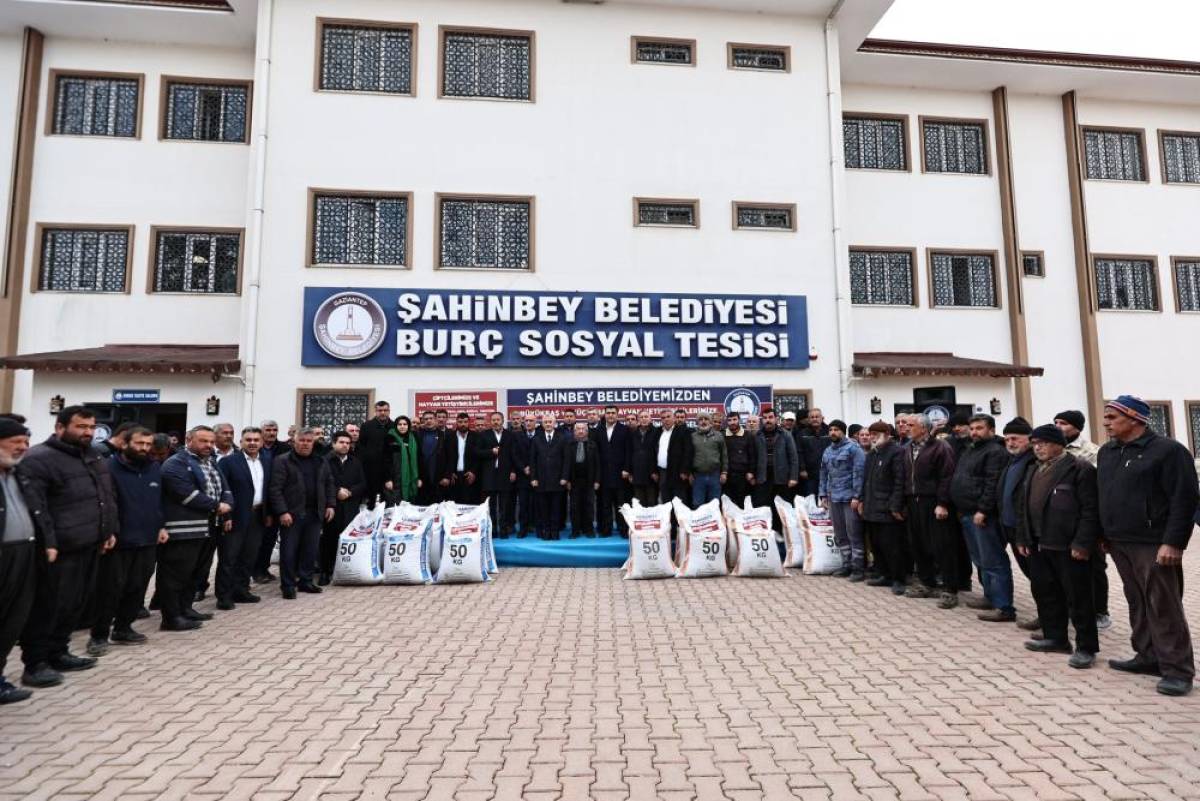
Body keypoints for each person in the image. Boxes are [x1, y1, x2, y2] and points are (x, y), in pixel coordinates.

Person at [1098, 396, 1197, 696]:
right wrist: (1103, 532)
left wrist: (1173, 542)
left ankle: (1178, 670)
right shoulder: (1107, 452)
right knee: (1137, 600)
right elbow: (1103, 494)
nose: (1106, 423)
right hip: (1119, 541)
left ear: (1135, 419)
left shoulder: (1168, 451)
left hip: (1153, 543)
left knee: (1163, 605)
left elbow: (1184, 499)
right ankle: (1148, 655)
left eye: (1112, 417)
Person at [17, 406, 117, 688]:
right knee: (49, 608)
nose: (88, 432)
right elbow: (36, 507)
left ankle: (59, 652)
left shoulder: (92, 455)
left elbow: (105, 496)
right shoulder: (39, 458)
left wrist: (109, 530)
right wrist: (48, 542)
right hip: (59, 549)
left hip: (90, 544)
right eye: (81, 427)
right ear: (60, 427)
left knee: (74, 605)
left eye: (91, 427)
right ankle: (35, 664)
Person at [1015, 425, 1100, 669]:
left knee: (1079, 598)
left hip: (1068, 545)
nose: (1037, 447)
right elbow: (1023, 506)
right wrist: (1023, 538)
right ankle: (1056, 638)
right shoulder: (1033, 469)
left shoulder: (1079, 469)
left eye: (1043, 443)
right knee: (1046, 592)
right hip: (1038, 543)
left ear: (1059, 444)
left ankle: (1086, 648)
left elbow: (1090, 510)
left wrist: (1082, 543)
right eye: (1034, 443)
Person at [88, 427, 165, 655]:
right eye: (139, 443)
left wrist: (161, 526)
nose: (144, 448)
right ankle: (98, 635)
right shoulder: (108, 468)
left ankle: (123, 628)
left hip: (148, 539)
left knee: (137, 587)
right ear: (124, 444)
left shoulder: (154, 468)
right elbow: (105, 503)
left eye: (148, 444)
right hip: (118, 541)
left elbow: (158, 501)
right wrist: (108, 531)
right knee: (109, 590)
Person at [158, 425, 228, 632]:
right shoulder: (175, 463)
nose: (209, 445)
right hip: (184, 529)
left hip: (208, 526)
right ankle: (171, 617)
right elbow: (186, 494)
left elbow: (225, 488)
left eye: (211, 442)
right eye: (203, 441)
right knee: (176, 574)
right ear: (189, 440)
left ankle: (185, 609)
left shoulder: (211, 462)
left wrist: (227, 501)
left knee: (196, 573)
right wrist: (217, 506)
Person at [950, 414, 1013, 622]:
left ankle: (1004, 607)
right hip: (966, 512)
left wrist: (983, 510)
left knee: (993, 560)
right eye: (972, 428)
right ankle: (990, 597)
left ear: (991, 430)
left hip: (983, 516)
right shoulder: (971, 449)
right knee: (981, 560)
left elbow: (992, 483)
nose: (974, 432)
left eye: (979, 428)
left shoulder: (995, 451)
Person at [1054, 409, 1109, 630]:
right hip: (1062, 521)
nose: (1058, 427)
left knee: (1095, 567)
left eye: (1063, 423)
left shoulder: (1092, 452)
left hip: (1088, 518)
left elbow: (1098, 488)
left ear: (1077, 427)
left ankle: (1100, 611)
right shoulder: (1055, 450)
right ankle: (1072, 608)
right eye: (1056, 422)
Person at [268, 428, 335, 599]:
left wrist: (330, 504)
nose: (305, 444)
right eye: (302, 440)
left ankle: (305, 581)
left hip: (315, 513)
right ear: (294, 442)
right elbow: (275, 489)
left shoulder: (320, 461)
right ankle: (288, 585)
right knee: (289, 552)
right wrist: (282, 511)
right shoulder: (282, 461)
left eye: (309, 441)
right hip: (292, 514)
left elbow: (329, 483)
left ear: (313, 443)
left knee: (310, 550)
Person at [902, 414, 960, 608]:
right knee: (918, 544)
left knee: (941, 545)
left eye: (911, 425)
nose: (906, 427)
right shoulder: (908, 448)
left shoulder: (940, 447)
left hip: (933, 502)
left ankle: (950, 589)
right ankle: (927, 583)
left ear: (924, 428)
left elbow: (947, 476)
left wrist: (942, 503)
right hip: (913, 501)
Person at [0, 418, 38, 703]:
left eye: (26, 442)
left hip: (23, 553)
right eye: (16, 442)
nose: (23, 447)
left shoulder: (18, 474)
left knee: (12, 619)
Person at [216, 427, 271, 608]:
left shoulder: (267, 460)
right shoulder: (228, 462)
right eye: (248, 440)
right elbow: (222, 490)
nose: (252, 443)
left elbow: (269, 489)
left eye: (256, 440)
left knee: (249, 556)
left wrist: (268, 513)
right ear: (241, 442)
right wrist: (226, 516)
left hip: (258, 515)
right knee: (229, 557)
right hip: (235, 516)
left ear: (261, 442)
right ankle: (224, 596)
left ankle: (241, 590)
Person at [996, 419, 1041, 630]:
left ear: (1029, 440)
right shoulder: (1013, 460)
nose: (1010, 443)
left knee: (1039, 577)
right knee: (1031, 574)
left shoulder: (1033, 462)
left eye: (1015, 438)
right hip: (1011, 527)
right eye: (1007, 439)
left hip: (1027, 530)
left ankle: (1050, 618)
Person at [860, 421, 907, 594]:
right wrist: (862, 500)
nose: (872, 437)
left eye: (875, 434)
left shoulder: (896, 452)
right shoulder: (872, 454)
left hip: (887, 508)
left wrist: (895, 506)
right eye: (870, 434)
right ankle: (884, 574)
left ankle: (898, 579)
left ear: (886, 435)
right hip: (871, 507)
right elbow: (866, 481)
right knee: (877, 544)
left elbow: (899, 481)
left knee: (892, 546)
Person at [819, 420, 866, 580]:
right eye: (831, 430)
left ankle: (858, 568)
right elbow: (823, 474)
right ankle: (846, 565)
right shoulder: (827, 451)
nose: (833, 432)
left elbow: (859, 473)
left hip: (849, 498)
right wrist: (823, 495)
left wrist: (856, 496)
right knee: (839, 534)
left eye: (836, 430)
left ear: (843, 432)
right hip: (834, 497)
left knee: (854, 534)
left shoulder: (854, 449)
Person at [319, 431, 366, 585]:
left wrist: (350, 492)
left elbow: (362, 483)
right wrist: (337, 491)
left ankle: (345, 570)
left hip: (350, 507)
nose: (345, 445)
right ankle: (325, 572)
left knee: (347, 540)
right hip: (332, 507)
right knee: (329, 540)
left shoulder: (355, 462)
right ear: (333, 444)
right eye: (341, 442)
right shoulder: (325, 461)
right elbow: (322, 482)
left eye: (348, 443)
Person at [476, 412, 516, 537]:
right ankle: (492, 530)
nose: (496, 422)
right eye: (493, 420)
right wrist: (491, 451)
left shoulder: (510, 435)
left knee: (504, 505)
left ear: (503, 421)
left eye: (498, 419)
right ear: (490, 422)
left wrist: (513, 471)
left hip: (505, 474)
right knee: (491, 505)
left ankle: (504, 529)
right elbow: (477, 452)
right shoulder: (484, 435)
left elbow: (514, 455)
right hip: (489, 475)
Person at [754, 409, 798, 521]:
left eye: (770, 417)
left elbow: (793, 457)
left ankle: (780, 529)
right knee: (763, 506)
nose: (767, 420)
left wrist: (793, 477)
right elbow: (753, 457)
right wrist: (752, 475)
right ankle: (767, 529)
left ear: (776, 419)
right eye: (765, 418)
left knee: (781, 507)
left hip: (781, 476)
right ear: (762, 420)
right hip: (763, 476)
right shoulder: (757, 435)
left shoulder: (786, 434)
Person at [530, 414, 568, 540]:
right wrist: (533, 478)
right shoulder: (536, 439)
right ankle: (546, 531)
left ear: (554, 423)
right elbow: (532, 460)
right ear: (542, 424)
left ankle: (555, 531)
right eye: (545, 422)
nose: (548, 424)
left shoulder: (562, 438)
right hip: (541, 481)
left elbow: (566, 460)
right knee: (543, 509)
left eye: (550, 422)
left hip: (558, 480)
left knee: (556, 509)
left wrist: (564, 477)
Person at [596, 406, 632, 537]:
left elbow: (628, 451)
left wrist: (627, 469)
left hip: (620, 474)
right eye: (608, 413)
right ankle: (606, 530)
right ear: (604, 415)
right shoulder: (599, 430)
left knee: (621, 504)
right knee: (605, 504)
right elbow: (596, 453)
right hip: (604, 474)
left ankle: (623, 529)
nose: (610, 415)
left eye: (613, 413)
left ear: (617, 415)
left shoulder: (625, 430)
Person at [655, 409, 693, 514]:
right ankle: (670, 524)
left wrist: (685, 471)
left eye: (668, 416)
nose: (666, 419)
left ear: (674, 418)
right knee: (666, 501)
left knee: (679, 502)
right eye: (663, 418)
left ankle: (680, 524)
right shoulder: (658, 432)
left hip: (678, 472)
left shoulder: (683, 431)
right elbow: (653, 452)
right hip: (662, 472)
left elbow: (688, 452)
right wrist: (654, 471)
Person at [565, 422, 599, 537]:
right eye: (578, 429)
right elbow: (566, 464)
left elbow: (598, 464)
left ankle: (589, 529)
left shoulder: (593, 445)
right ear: (574, 432)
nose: (580, 431)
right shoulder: (569, 445)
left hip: (589, 481)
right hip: (574, 481)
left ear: (587, 431)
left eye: (583, 429)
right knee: (574, 507)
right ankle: (575, 530)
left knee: (589, 506)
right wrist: (567, 480)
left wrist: (597, 480)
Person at [440, 413, 481, 505]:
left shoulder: (476, 436)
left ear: (469, 423)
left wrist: (473, 471)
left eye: (465, 422)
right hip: (454, 477)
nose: (463, 424)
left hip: (470, 476)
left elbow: (478, 457)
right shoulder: (449, 437)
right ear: (456, 422)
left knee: (470, 505)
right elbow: (445, 457)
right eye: (460, 422)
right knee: (453, 505)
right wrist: (449, 473)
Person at [690, 412, 728, 507]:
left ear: (710, 422)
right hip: (698, 477)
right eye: (700, 419)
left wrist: (724, 472)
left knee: (714, 505)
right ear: (697, 422)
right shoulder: (692, 436)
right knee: (697, 505)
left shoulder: (719, 435)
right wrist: (689, 473)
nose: (703, 422)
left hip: (715, 476)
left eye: (706, 419)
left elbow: (724, 454)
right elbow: (688, 456)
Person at [358, 401, 393, 500]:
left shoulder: (394, 426)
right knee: (371, 500)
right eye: (380, 410)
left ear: (389, 411)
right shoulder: (366, 426)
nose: (382, 413)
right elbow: (361, 447)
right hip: (370, 469)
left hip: (390, 470)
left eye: (385, 410)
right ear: (375, 411)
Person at [723, 412, 758, 507]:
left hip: (743, 476)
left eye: (734, 419)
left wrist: (751, 471)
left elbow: (752, 455)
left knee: (742, 504)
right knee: (728, 505)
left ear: (739, 420)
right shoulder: (722, 435)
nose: (732, 422)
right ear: (727, 422)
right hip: (727, 476)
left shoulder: (748, 435)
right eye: (729, 420)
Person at [384, 416, 421, 505]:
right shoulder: (390, 437)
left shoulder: (414, 438)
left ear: (408, 426)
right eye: (399, 424)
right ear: (395, 426)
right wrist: (387, 479)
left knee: (410, 506)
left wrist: (420, 478)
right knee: (395, 506)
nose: (402, 426)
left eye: (405, 424)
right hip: (395, 479)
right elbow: (385, 460)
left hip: (411, 478)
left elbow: (419, 459)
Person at [512, 414, 537, 537]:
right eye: (526, 420)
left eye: (531, 421)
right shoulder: (517, 436)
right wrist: (523, 468)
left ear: (535, 422)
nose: (528, 423)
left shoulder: (541, 435)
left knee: (537, 503)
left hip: (538, 475)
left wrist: (533, 468)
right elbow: (514, 455)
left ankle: (536, 526)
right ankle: (523, 528)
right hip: (522, 475)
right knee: (523, 504)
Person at [628, 411, 659, 509]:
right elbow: (630, 453)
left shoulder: (657, 432)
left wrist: (655, 471)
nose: (644, 419)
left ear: (650, 419)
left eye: (646, 416)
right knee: (639, 504)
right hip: (637, 474)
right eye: (641, 417)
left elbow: (658, 453)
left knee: (652, 503)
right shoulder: (633, 434)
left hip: (652, 474)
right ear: (638, 420)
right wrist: (630, 472)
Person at [796, 409, 831, 497]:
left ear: (822, 418)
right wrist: (802, 469)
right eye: (812, 417)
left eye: (817, 417)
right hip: (809, 474)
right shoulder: (802, 434)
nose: (814, 419)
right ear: (808, 419)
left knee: (827, 499)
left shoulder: (830, 432)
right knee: (810, 499)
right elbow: (799, 452)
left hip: (828, 473)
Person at [416, 411, 446, 505]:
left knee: (438, 506)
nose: (428, 421)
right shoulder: (417, 435)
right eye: (426, 419)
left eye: (431, 418)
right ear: (422, 421)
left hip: (438, 477)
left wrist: (446, 476)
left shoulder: (443, 435)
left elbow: (449, 457)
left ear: (435, 420)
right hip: (421, 476)